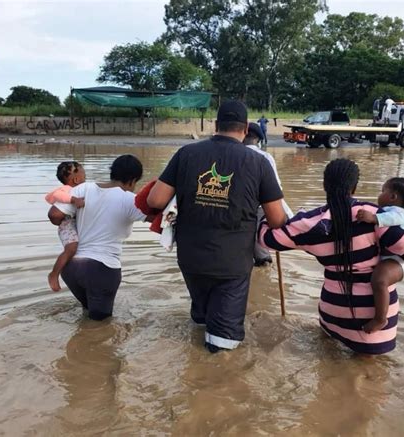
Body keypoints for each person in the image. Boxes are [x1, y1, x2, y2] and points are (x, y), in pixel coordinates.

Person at [147, 100, 287, 353]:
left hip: (190, 258)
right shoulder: (258, 162)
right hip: (232, 264)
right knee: (222, 346)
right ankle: (212, 382)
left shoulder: (186, 154)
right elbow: (277, 219)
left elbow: (155, 200)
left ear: (215, 125)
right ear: (245, 128)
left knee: (200, 320)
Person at [259, 158, 404, 355]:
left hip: (332, 313)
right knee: (370, 379)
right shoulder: (374, 216)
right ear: (354, 187)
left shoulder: (311, 222)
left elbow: (267, 240)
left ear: (324, 185)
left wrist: (265, 216)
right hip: (372, 322)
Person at [48, 155, 147, 321]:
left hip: (71, 268)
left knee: (87, 316)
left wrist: (72, 222)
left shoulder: (82, 189)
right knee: (100, 327)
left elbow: (54, 214)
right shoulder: (131, 200)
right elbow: (161, 220)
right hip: (101, 270)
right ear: (132, 180)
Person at [356, 177, 404, 333]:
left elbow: (395, 219)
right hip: (391, 259)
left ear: (393, 197)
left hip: (398, 262)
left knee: (379, 280)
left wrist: (374, 218)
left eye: (383, 191)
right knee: (377, 279)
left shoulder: (396, 213)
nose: (380, 194)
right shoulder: (386, 212)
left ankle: (380, 319)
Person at [244, 122, 293, 266]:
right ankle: (263, 269)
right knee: (260, 249)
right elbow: (275, 188)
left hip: (239, 207)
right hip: (260, 207)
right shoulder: (265, 157)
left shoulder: (233, 154)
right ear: (258, 140)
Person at [45, 161, 86, 292]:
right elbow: (57, 195)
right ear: (76, 179)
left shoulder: (73, 190)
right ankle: (54, 274)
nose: (85, 177)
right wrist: (74, 200)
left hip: (70, 222)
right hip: (67, 224)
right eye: (83, 174)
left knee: (76, 249)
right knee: (71, 248)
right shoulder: (67, 190)